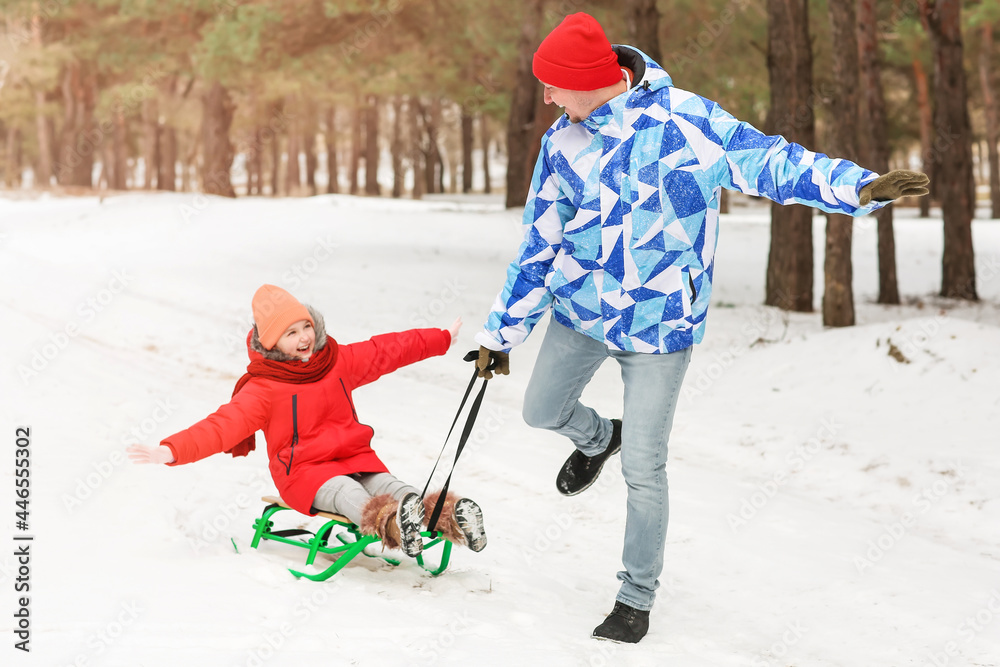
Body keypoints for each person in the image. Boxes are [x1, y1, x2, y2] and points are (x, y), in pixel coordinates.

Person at [474, 13, 929, 644]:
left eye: (552, 85)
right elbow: (539, 244)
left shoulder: (687, 120)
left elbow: (772, 161)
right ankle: (598, 437)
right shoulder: (562, 143)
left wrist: (859, 188)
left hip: (660, 324)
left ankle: (634, 597)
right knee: (540, 410)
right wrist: (502, 335)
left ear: (585, 80)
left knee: (645, 468)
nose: (546, 97)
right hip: (581, 310)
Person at [128, 284, 487, 558]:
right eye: (291, 332)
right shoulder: (263, 389)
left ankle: (450, 516)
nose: (304, 337)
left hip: (355, 459)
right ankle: (393, 524)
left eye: (306, 326)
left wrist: (439, 339)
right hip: (304, 473)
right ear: (271, 343)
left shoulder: (336, 361)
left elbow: (385, 351)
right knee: (350, 494)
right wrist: (172, 450)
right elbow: (223, 426)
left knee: (392, 486)